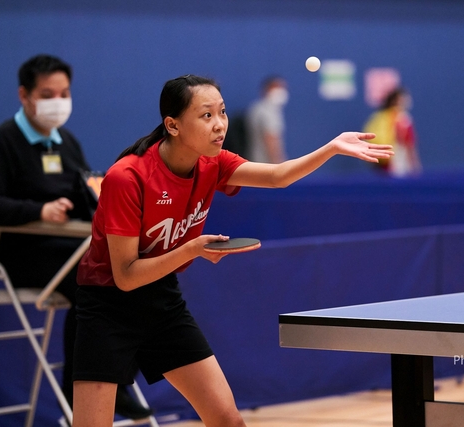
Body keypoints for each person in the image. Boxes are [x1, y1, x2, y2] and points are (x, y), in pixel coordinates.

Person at [72, 74, 392, 427]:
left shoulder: (214, 164)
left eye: (222, 113)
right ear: (173, 125)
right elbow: (126, 276)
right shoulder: (127, 178)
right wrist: (191, 250)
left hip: (161, 301)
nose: (219, 124)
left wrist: (331, 147)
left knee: (227, 420)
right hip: (107, 305)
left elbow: (278, 176)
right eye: (206, 115)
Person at [0, 54, 151, 420]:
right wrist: (37, 211)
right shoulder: (1, 141)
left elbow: (83, 193)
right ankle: (89, 389)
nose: (58, 102)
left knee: (134, 273)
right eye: (48, 94)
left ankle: (112, 383)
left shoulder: (67, 142)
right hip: (19, 253)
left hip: (67, 246)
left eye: (64, 93)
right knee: (94, 281)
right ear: (24, 95)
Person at [363, 87, 421, 177]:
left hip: (383, 160)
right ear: (397, 100)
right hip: (396, 161)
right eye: (404, 98)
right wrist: (415, 164)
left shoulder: (380, 116)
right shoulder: (402, 118)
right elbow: (408, 143)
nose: (407, 100)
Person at [245, 76, 289, 163]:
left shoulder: (257, 108)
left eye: (282, 88)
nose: (281, 91)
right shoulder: (267, 111)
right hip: (266, 164)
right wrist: (279, 163)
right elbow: (271, 139)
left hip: (257, 162)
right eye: (277, 87)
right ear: (267, 89)